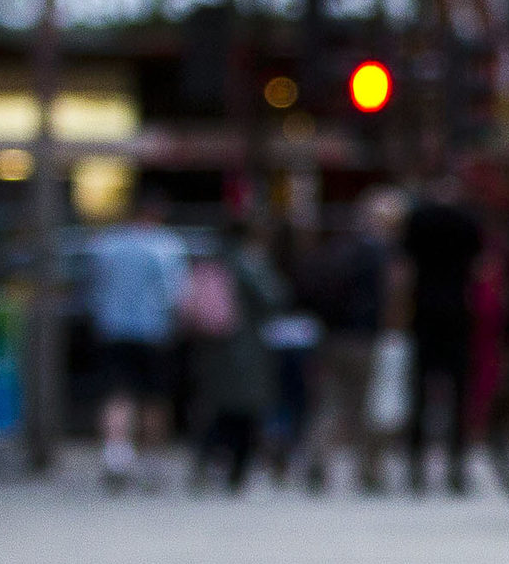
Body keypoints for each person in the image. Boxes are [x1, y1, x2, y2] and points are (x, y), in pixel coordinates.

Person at [82, 192, 190, 490]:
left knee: (117, 394)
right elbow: (176, 294)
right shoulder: (167, 246)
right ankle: (151, 461)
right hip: (154, 331)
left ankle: (116, 455)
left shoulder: (106, 244)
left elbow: (93, 287)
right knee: (154, 399)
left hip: (112, 329)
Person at [298, 194, 400, 493]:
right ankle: (369, 470)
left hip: (331, 336)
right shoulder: (378, 254)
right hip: (363, 337)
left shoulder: (334, 250)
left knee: (330, 403)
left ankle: (317, 461)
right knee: (365, 406)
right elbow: (388, 296)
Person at [187, 221, 291, 491]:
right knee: (245, 410)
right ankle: (237, 469)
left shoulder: (211, 261)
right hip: (245, 349)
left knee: (216, 408)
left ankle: (205, 462)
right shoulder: (249, 262)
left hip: (211, 347)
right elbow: (275, 297)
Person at [401, 176, 485, 494]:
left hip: (423, 311)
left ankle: (416, 466)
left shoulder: (419, 220)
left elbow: (404, 267)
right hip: (458, 312)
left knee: (420, 392)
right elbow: (479, 267)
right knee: (458, 392)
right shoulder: (467, 222)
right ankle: (456, 466)